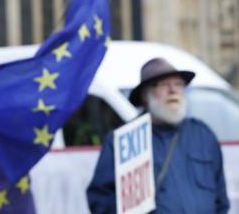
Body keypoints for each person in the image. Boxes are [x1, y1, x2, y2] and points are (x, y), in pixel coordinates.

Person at [87, 57, 229, 213]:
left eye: (178, 84)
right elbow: (100, 200)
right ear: (145, 95)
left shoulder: (203, 135)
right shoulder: (124, 140)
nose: (173, 90)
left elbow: (220, 199)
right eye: (164, 85)